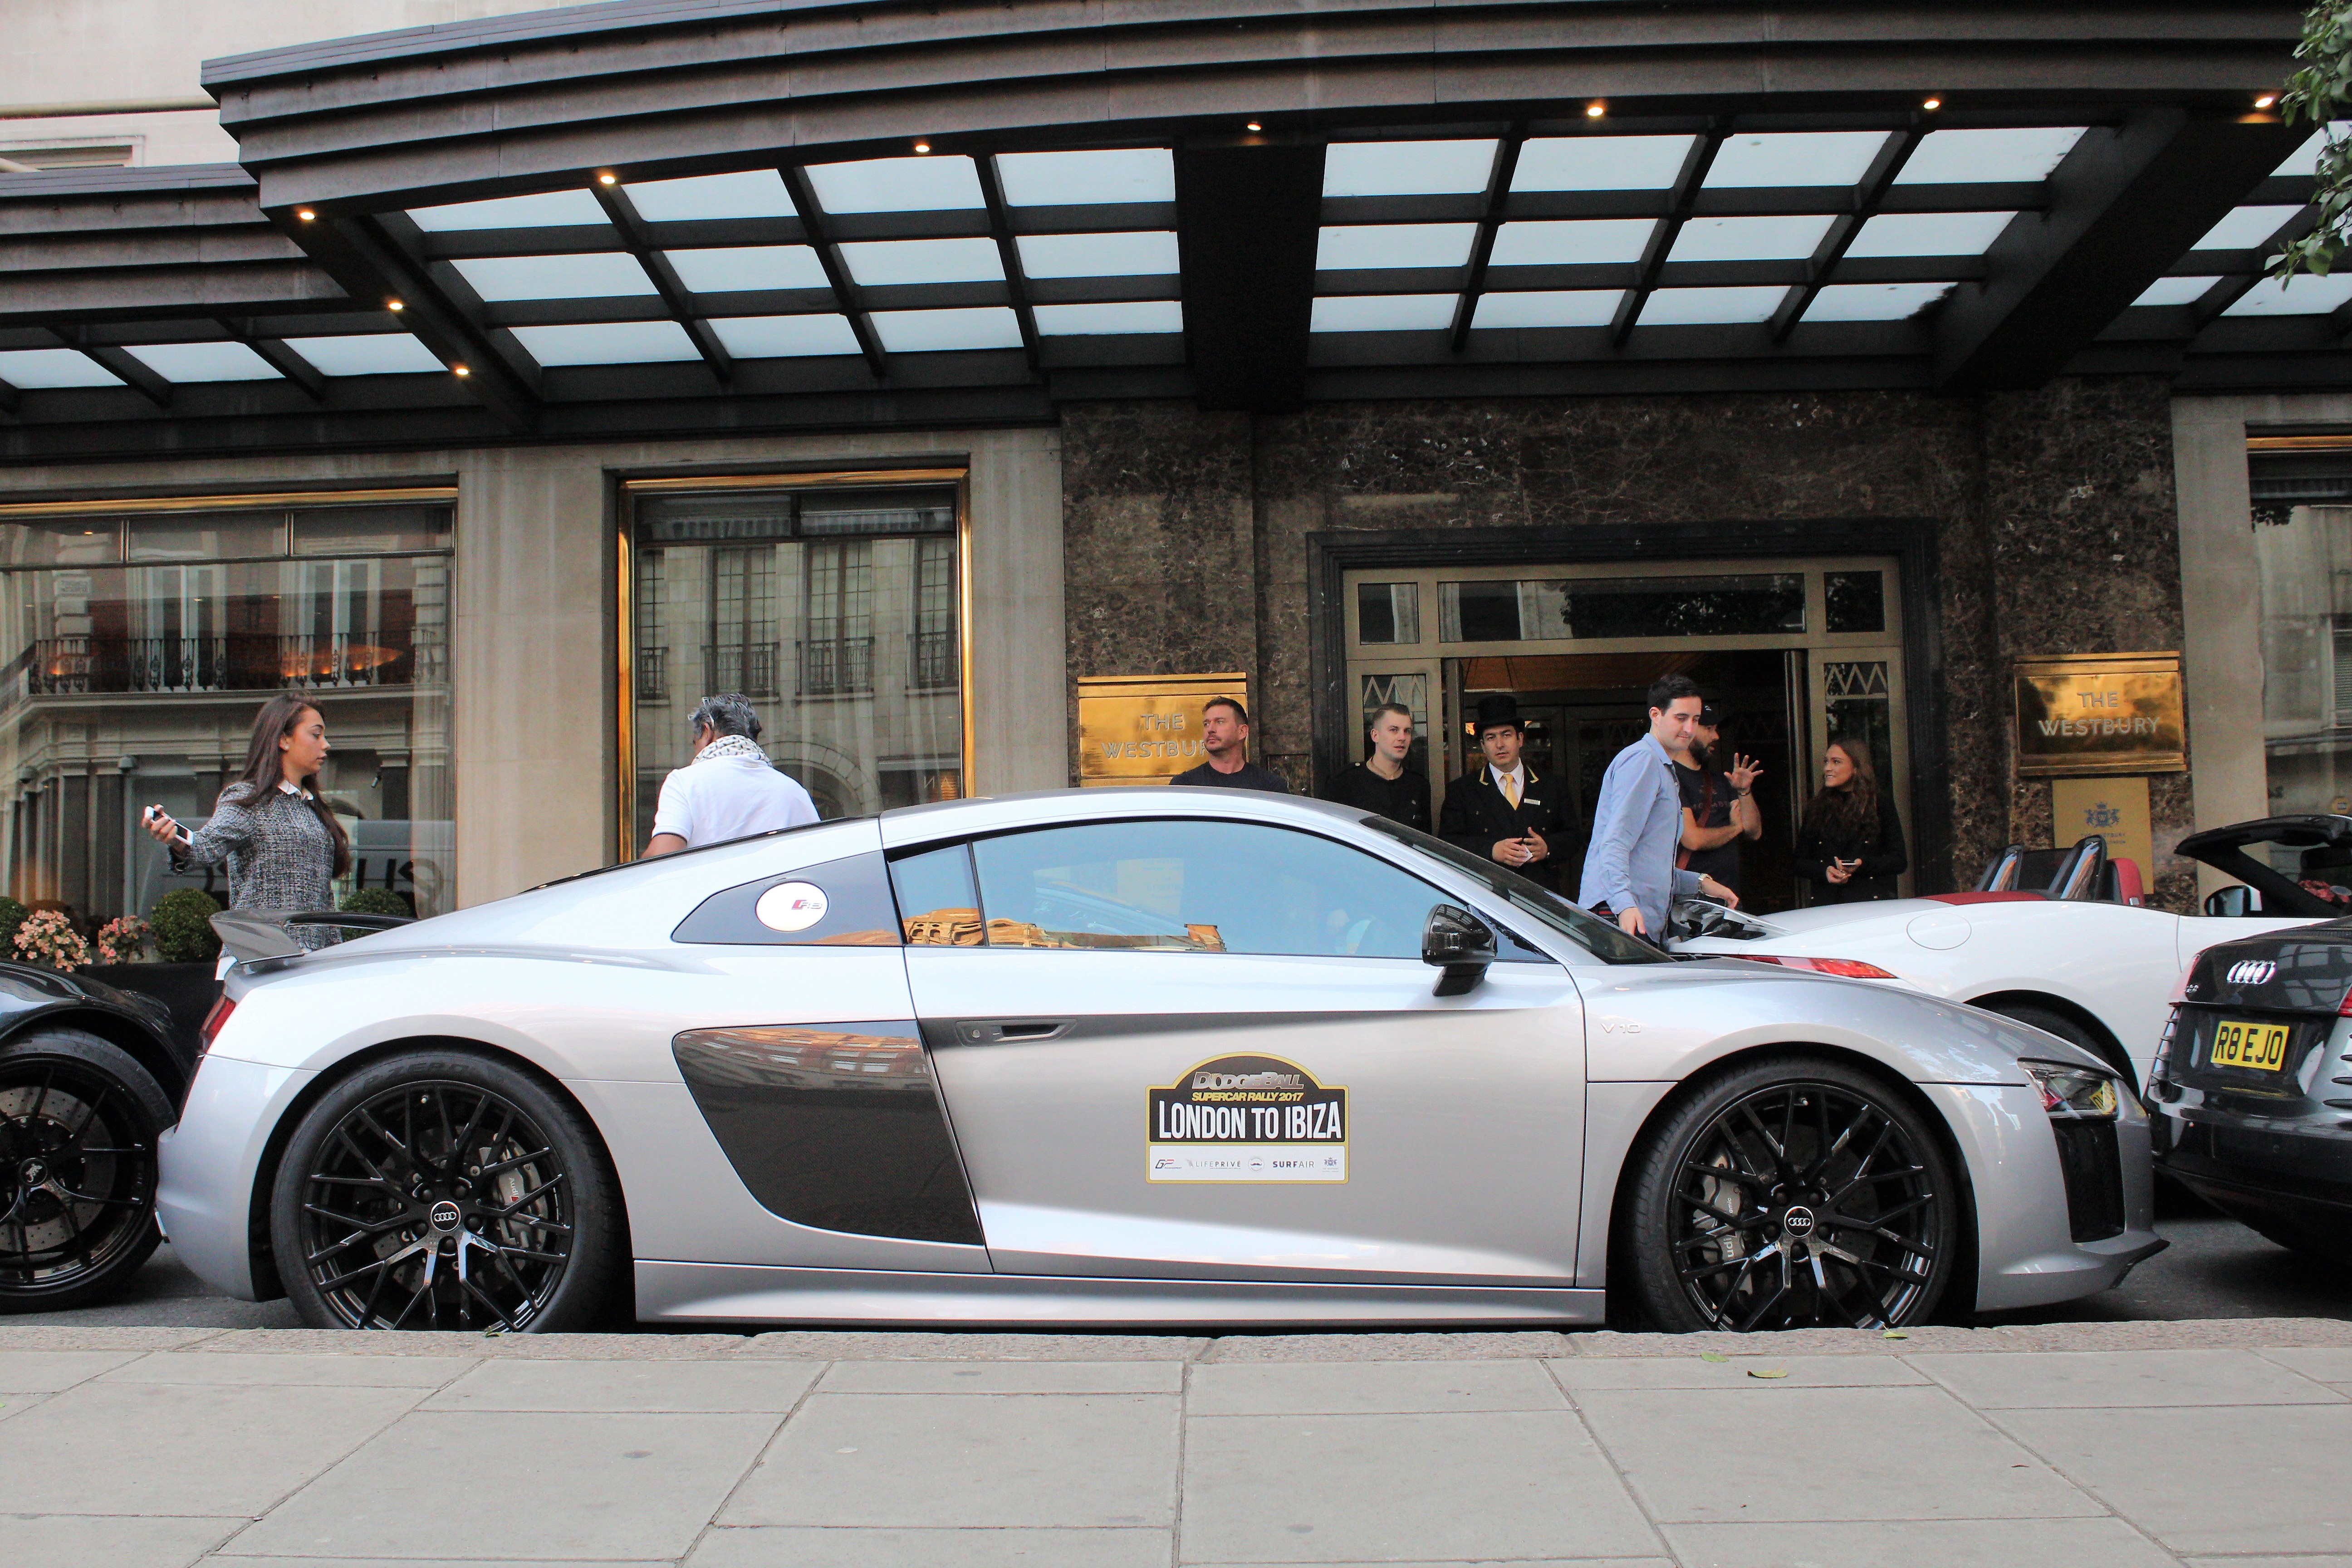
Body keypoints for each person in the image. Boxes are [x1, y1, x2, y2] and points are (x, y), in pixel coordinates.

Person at [142, 692, 349, 951]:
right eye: (316, 735)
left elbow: (323, 900)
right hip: (261, 954)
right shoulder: (247, 798)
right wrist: (175, 839)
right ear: (284, 740)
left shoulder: (312, 808)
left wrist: (335, 953)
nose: (326, 744)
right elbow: (205, 848)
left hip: (311, 960)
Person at [1578, 674, 1740, 938]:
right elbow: (1615, 843)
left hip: (1630, 913)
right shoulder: (1644, 759)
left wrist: (1700, 883)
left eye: (1696, 720)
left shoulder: (1660, 764)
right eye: (1681, 718)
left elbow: (1649, 865)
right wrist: (1625, 905)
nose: (1690, 728)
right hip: (1622, 914)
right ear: (1656, 714)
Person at [646, 692, 819, 856]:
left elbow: (663, 855)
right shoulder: (794, 791)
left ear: (707, 732)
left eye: (694, 742)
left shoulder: (685, 782)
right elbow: (818, 859)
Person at [1438, 694, 1573, 891]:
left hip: (1543, 897)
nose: (1499, 744)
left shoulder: (1552, 786)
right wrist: (1491, 850)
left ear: (1520, 739)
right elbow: (1447, 843)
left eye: (1506, 735)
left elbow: (1574, 836)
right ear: (1483, 746)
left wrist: (1548, 849)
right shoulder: (1462, 790)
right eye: (1491, 738)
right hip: (1487, 896)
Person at [1794, 735, 1907, 904]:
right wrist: (1824, 871)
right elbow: (1798, 862)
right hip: (1827, 904)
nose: (1827, 768)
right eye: (1826, 762)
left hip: (1869, 904)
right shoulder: (1817, 808)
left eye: (1836, 762)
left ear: (1856, 767)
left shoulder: (1879, 804)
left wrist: (1862, 865)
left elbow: (1898, 860)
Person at [1675, 703, 1764, 899]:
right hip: (1692, 898)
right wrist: (1734, 829)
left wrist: (1744, 791)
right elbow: (1693, 840)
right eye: (1708, 729)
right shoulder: (1671, 778)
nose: (1716, 736)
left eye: (1716, 730)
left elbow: (1753, 831)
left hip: (1730, 895)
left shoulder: (1721, 780)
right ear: (1687, 731)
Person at [1326, 701, 1429, 830]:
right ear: (1375, 735)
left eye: (1407, 731)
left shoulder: (1418, 786)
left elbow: (1424, 841)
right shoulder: (1345, 781)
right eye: (1394, 730)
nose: (1402, 737)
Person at [1170, 696, 1289, 792]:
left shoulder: (1270, 787)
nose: (1210, 729)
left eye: (1220, 722)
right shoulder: (1185, 786)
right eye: (1206, 724)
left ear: (1242, 732)